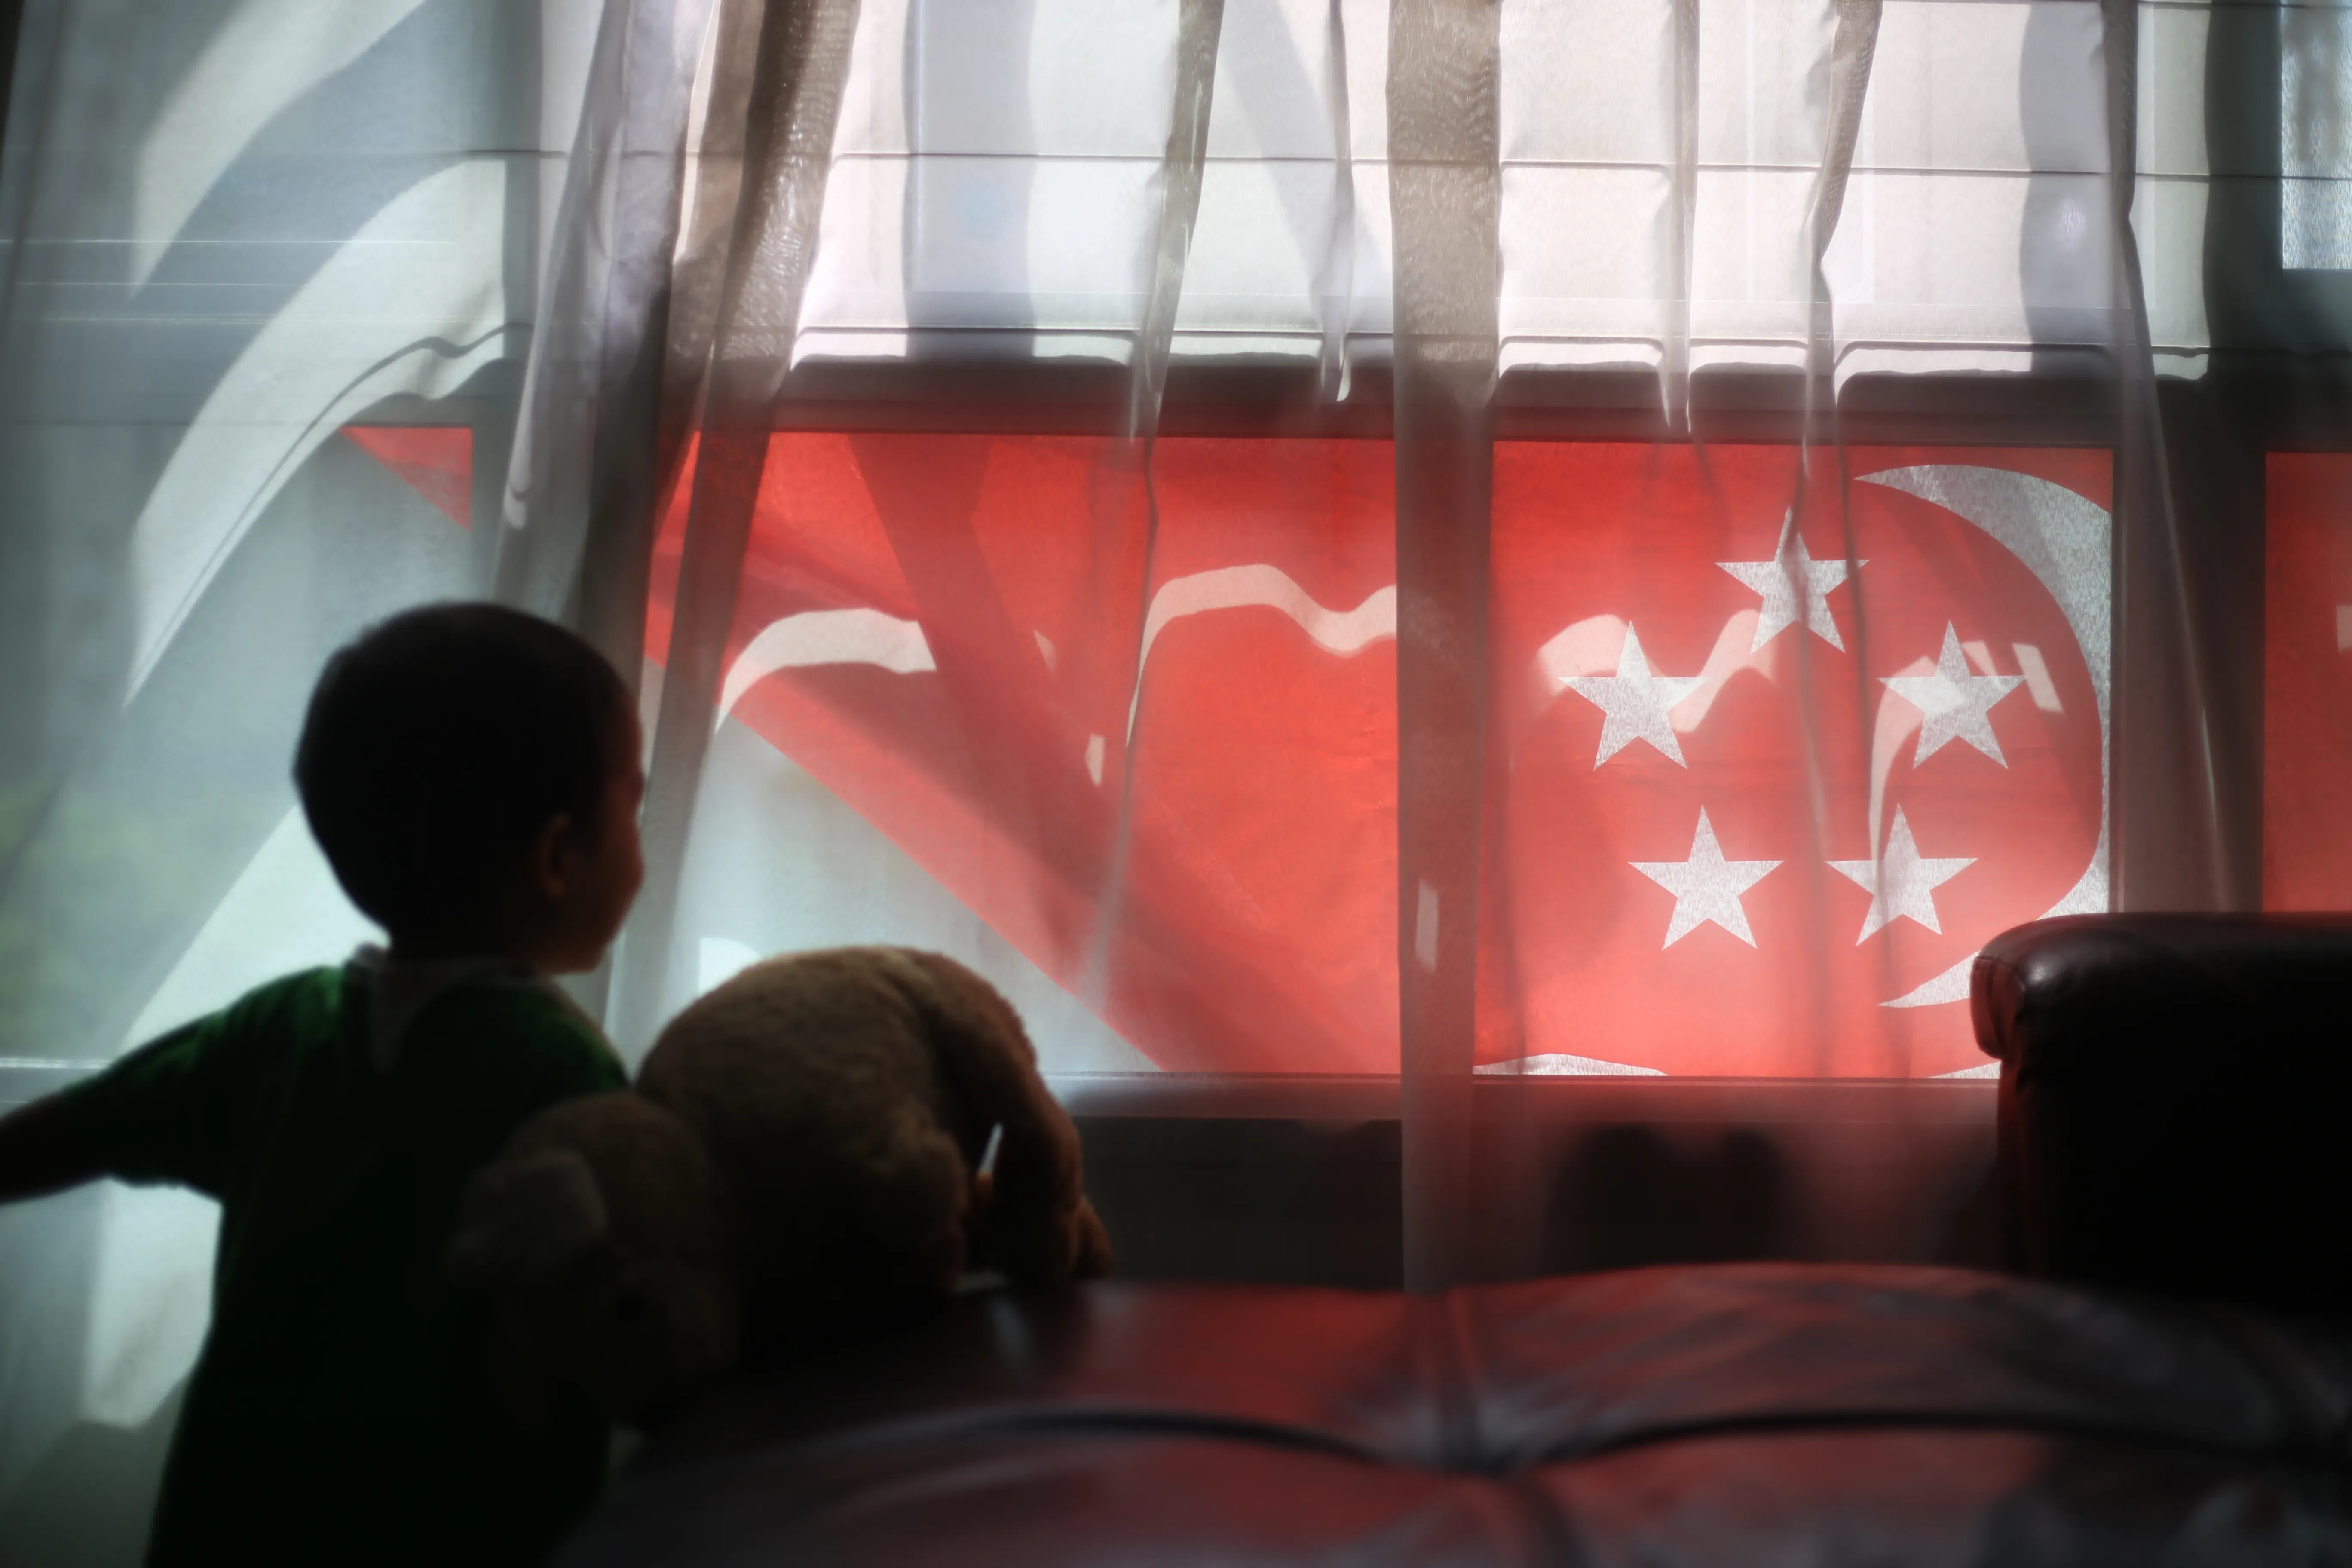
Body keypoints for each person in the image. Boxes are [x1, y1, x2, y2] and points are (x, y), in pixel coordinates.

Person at [0, 603, 646, 1566]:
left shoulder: (277, 1030)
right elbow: (646, 1294)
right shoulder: (559, 1072)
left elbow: (74, 1132)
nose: (643, 847)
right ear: (558, 858)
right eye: (635, 805)